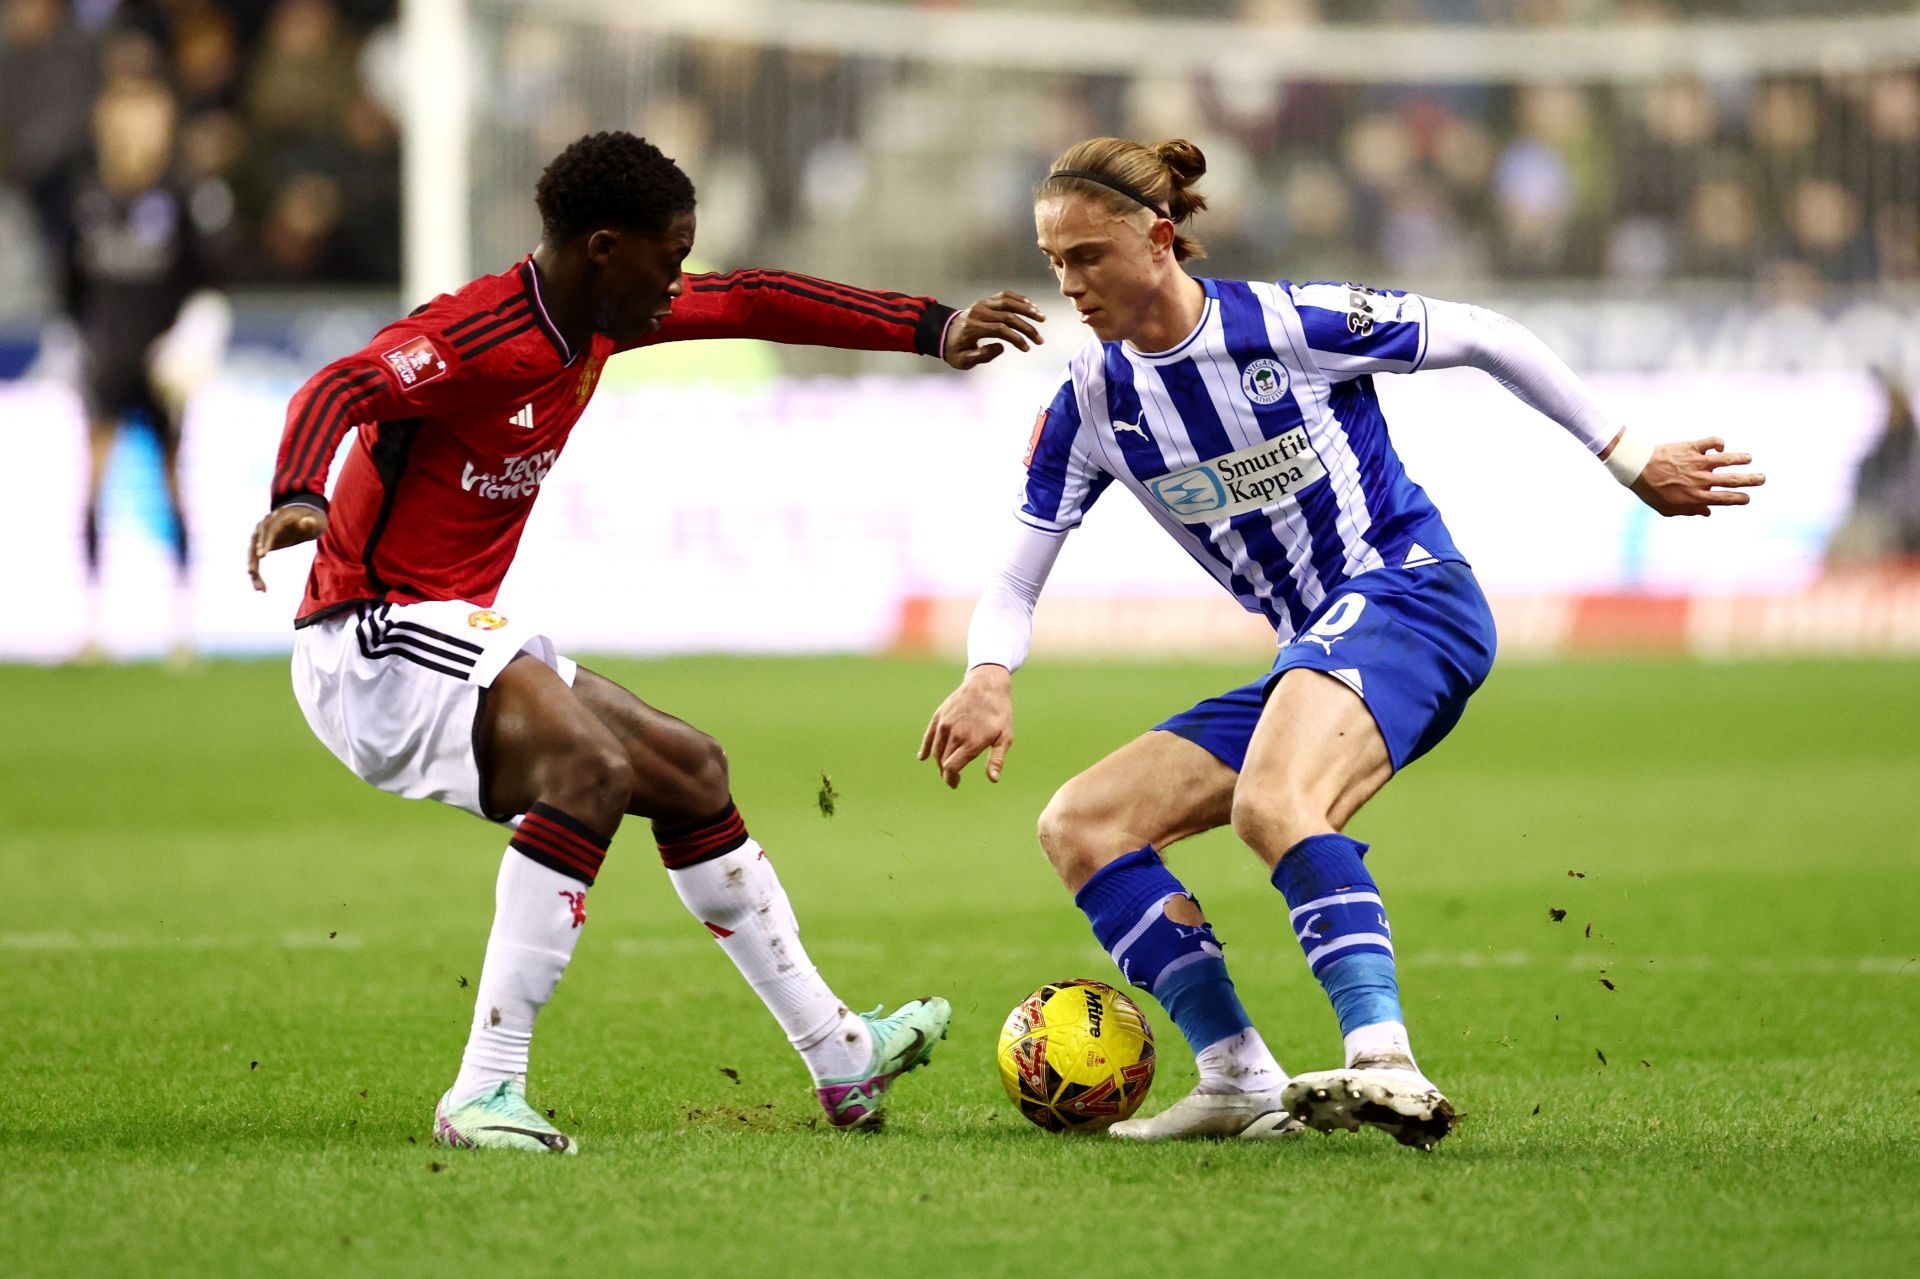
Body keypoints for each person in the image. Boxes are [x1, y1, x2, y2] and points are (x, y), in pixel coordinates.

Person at [919, 136, 1763, 1148]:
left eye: (1088, 256)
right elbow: (1017, 575)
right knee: (1083, 824)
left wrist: (1629, 459)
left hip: (1411, 595)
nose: (1069, 283)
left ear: (1158, 239)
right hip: (1309, 649)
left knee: (1276, 799)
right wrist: (987, 674)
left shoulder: (1284, 324)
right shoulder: (1091, 406)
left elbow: (1485, 334)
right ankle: (1237, 1075)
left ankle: (1385, 1060)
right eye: (1053, 260)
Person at [246, 131, 1046, 1153]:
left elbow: (753, 298)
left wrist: (934, 328)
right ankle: (483, 1089)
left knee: (687, 768)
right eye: (670, 257)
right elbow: (343, 384)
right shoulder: (480, 332)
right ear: (603, 247)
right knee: (589, 764)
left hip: (451, 631)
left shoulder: (608, 318)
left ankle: (838, 1050)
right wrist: (299, 493)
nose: (681, 280)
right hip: (370, 638)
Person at [66, 73, 230, 659]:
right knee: (92, 484)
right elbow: (72, 285)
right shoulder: (87, 195)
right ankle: (91, 625)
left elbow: (209, 281)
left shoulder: (183, 195)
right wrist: (73, 342)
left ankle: (183, 627)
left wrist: (192, 339)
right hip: (105, 357)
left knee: (173, 485)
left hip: (162, 364)